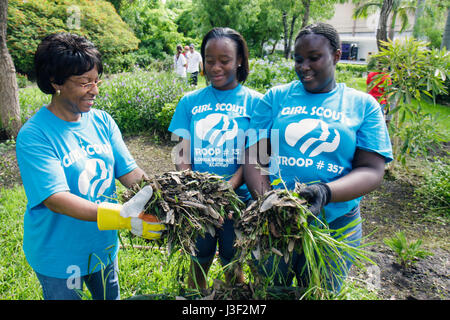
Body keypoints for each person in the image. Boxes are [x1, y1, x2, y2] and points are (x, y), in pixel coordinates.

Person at [244, 22, 393, 292]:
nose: (304, 66)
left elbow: (372, 170)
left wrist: (325, 192)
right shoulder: (276, 97)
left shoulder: (362, 105)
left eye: (314, 58)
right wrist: (270, 204)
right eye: (298, 59)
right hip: (276, 225)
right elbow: (254, 157)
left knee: (319, 293)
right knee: (267, 291)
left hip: (334, 226)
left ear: (336, 56)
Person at [16, 33, 164, 300]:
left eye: (96, 81)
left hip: (102, 246)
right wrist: (122, 217)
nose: (94, 90)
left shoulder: (102, 121)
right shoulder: (35, 134)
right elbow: (56, 199)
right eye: (84, 83)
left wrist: (163, 197)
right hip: (59, 253)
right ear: (55, 82)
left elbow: (129, 172)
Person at [168, 27, 263, 290]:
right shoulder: (189, 101)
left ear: (240, 60)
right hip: (198, 202)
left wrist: (228, 188)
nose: (215, 67)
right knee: (198, 258)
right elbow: (180, 151)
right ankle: (194, 300)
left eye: (225, 60)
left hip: (239, 200)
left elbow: (257, 155)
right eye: (210, 61)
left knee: (234, 261)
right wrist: (194, 188)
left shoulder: (257, 103)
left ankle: (233, 299)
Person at [366, 58, 392, 125]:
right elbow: (387, 93)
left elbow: (368, 88)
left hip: (371, 100)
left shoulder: (371, 74)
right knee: (379, 121)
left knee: (369, 119)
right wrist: (388, 105)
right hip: (381, 101)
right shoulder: (386, 77)